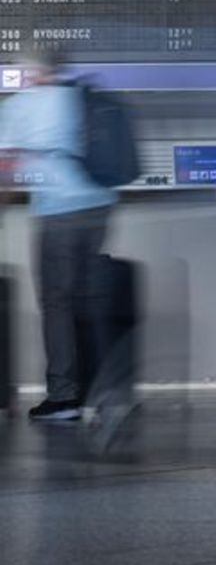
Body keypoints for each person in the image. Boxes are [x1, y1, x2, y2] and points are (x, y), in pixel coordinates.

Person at [0, 48, 117, 422]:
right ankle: (104, 391)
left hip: (58, 214)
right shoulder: (80, 99)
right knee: (89, 300)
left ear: (32, 71)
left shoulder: (20, 106)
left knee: (57, 303)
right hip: (99, 207)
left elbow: (6, 168)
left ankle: (64, 397)